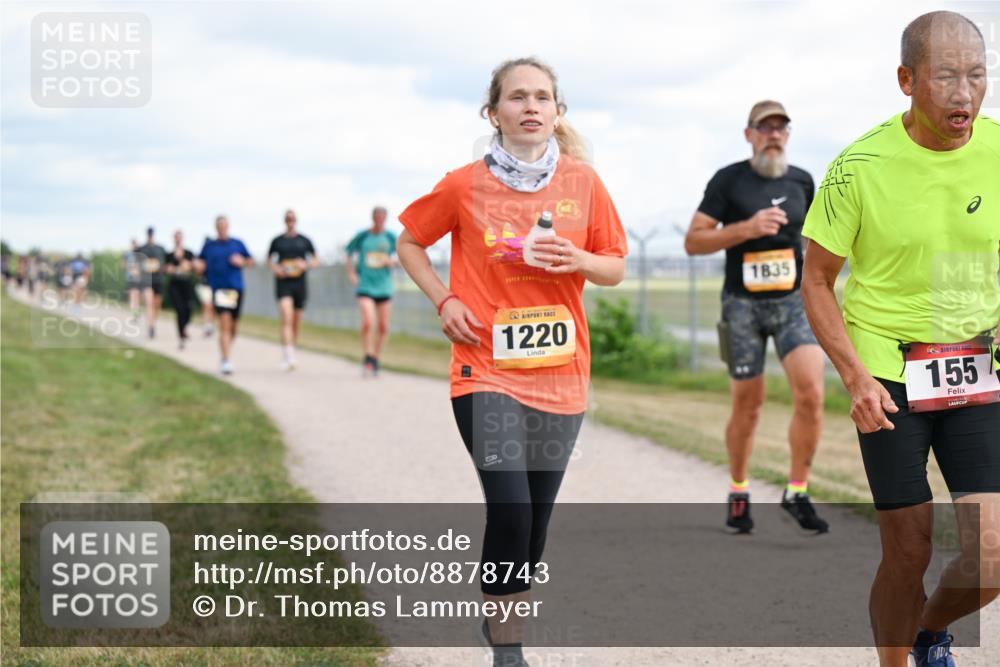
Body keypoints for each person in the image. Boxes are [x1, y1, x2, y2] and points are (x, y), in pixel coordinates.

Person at [398, 57, 627, 667]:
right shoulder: (462, 183)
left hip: (560, 374)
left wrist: (576, 257)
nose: (531, 105)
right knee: (511, 506)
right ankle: (509, 652)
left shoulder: (583, 183)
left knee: (535, 525)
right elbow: (411, 240)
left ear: (557, 111)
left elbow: (614, 267)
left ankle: (502, 610)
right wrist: (443, 298)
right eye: (517, 96)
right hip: (484, 370)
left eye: (542, 97)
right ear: (493, 111)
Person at [801, 11, 999, 667]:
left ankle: (926, 629)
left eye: (977, 75)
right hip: (887, 372)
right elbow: (819, 280)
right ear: (906, 79)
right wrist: (855, 377)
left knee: (994, 554)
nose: (964, 93)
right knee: (908, 546)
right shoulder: (858, 167)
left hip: (975, 366)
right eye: (946, 76)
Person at [684, 100, 828, 534]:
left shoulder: (803, 180)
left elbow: (816, 242)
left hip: (792, 303)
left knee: (812, 396)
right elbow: (694, 241)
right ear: (749, 134)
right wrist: (746, 228)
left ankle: (797, 490)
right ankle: (739, 490)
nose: (774, 135)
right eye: (764, 128)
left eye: (781, 128)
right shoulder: (729, 180)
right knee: (748, 404)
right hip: (741, 305)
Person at [196, 216, 254, 375]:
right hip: (220, 290)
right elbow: (200, 263)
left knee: (234, 328)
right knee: (224, 323)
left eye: (224, 225)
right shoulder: (209, 246)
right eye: (219, 225)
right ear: (216, 227)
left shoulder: (237, 244)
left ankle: (225, 352)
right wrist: (198, 266)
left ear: (228, 226)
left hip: (236, 288)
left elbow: (251, 261)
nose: (222, 228)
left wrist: (242, 261)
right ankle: (226, 360)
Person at [346, 206, 397, 376]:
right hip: (365, 285)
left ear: (386, 218)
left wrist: (392, 262)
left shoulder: (390, 237)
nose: (380, 220)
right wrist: (352, 272)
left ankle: (376, 358)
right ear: (373, 218)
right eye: (377, 217)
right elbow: (348, 252)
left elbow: (405, 254)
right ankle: (367, 356)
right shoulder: (363, 236)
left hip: (384, 285)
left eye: (383, 217)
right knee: (368, 322)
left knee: (383, 326)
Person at [267, 209, 319, 370]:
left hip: (300, 284)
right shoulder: (277, 241)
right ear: (284, 221)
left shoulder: (304, 240)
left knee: (296, 320)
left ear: (296, 221)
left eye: (293, 219)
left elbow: (316, 259)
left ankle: (291, 350)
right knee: (286, 316)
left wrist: (306, 264)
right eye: (288, 219)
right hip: (283, 283)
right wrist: (276, 269)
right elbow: (269, 261)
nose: (290, 221)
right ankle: (288, 354)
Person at [164, 230, 197, 349]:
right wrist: (173, 267)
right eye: (176, 237)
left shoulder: (188, 253)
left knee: (189, 308)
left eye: (180, 237)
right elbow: (166, 269)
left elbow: (193, 266)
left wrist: (184, 262)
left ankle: (184, 327)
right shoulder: (169, 254)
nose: (178, 239)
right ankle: (181, 336)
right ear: (174, 239)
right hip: (175, 285)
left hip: (187, 284)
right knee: (179, 309)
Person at [137, 227, 168, 339]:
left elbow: (166, 263)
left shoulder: (160, 248)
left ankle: (153, 322)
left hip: (158, 279)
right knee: (149, 303)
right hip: (146, 279)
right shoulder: (141, 248)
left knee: (157, 304)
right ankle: (151, 326)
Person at [123, 239, 142, 322]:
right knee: (131, 297)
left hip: (138, 278)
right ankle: (133, 315)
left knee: (137, 297)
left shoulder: (140, 254)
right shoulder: (127, 254)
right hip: (130, 278)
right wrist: (131, 269)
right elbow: (124, 264)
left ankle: (136, 314)